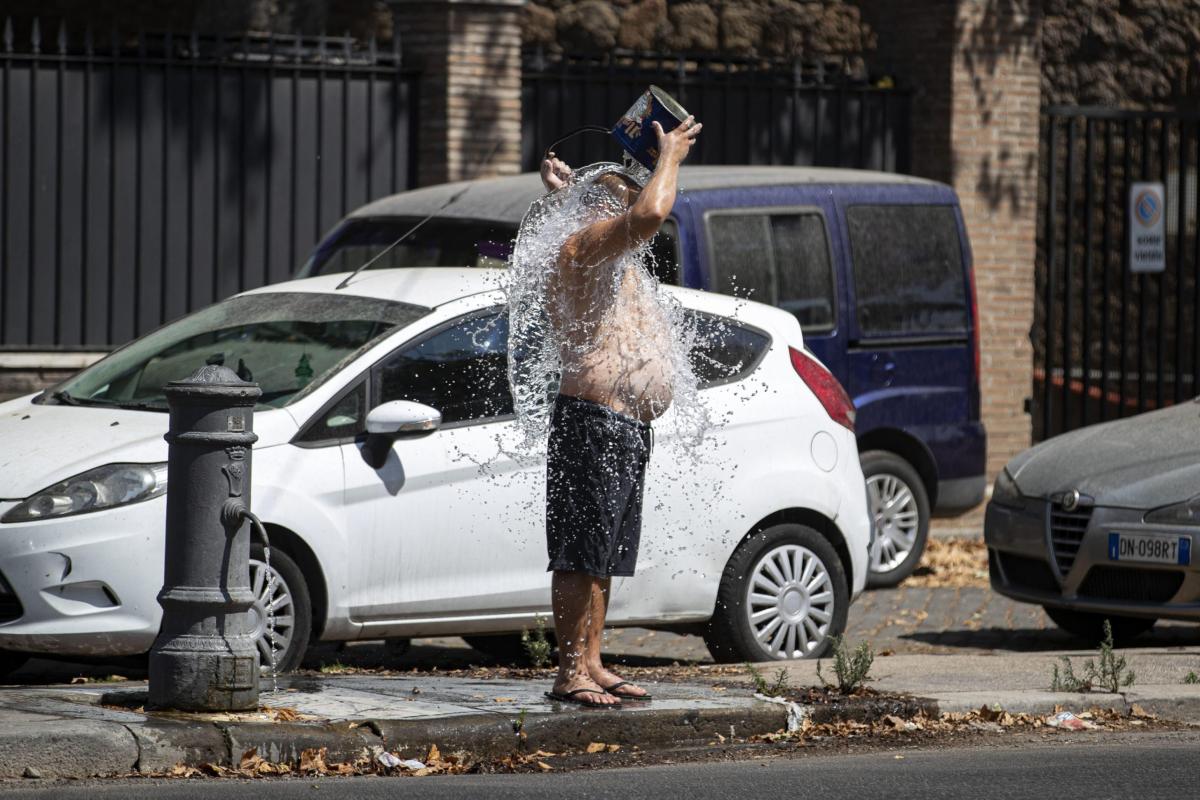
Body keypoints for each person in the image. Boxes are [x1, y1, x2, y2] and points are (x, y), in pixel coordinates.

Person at [537, 115, 702, 708]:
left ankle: (593, 661)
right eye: (615, 189)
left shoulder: (607, 254)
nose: (631, 193)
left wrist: (567, 193)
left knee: (604, 552)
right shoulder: (582, 247)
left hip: (626, 424)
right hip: (593, 418)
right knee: (581, 551)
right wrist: (671, 158)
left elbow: (633, 219)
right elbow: (651, 213)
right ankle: (569, 672)